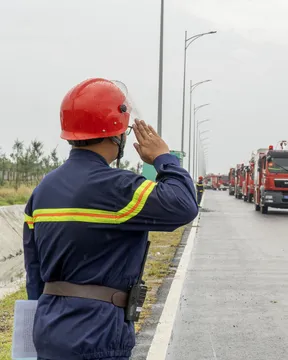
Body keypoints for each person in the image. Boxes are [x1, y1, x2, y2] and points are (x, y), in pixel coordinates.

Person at [23, 78, 199, 360]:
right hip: (97, 334)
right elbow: (184, 205)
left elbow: (33, 271)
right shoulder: (118, 187)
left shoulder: (43, 189)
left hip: (48, 330)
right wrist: (164, 159)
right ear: (117, 134)